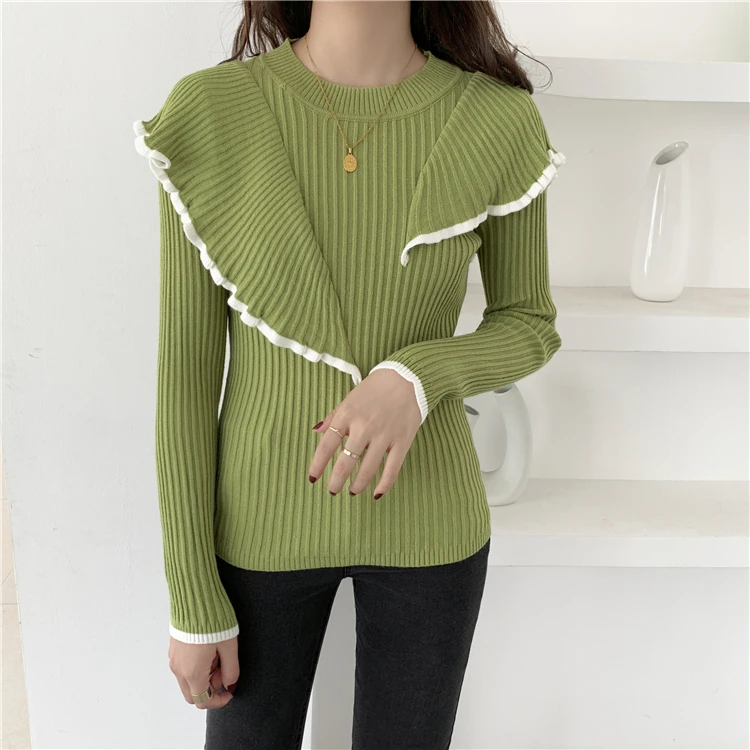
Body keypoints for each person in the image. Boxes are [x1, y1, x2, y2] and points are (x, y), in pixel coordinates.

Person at [132, 1, 564, 747]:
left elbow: (530, 322)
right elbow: (185, 386)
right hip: (257, 529)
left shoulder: (496, 118)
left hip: (432, 529)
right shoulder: (211, 111)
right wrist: (192, 598)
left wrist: (419, 376)